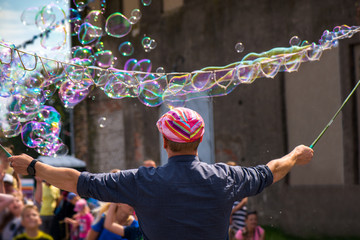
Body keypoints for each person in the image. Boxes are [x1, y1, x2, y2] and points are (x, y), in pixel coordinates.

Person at [9, 107, 314, 240]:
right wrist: (296, 156)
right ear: (199, 139)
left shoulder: (142, 180)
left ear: (166, 142)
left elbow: (78, 182)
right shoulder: (225, 177)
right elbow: (272, 170)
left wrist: (34, 166)